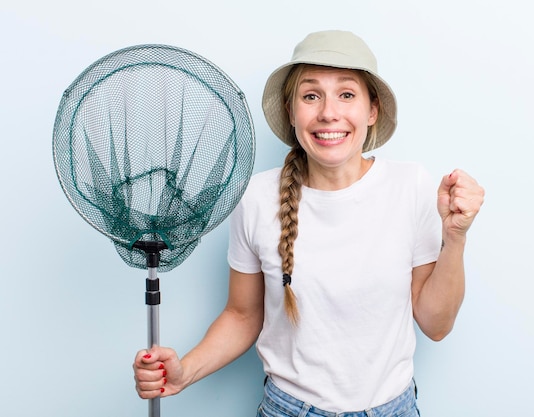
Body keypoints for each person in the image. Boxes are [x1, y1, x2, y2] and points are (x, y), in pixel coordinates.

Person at [133, 30, 484, 416]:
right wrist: (186, 371)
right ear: (291, 111)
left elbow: (436, 325)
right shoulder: (255, 198)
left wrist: (455, 239)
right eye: (311, 95)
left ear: (372, 110)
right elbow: (243, 315)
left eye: (346, 94)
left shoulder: (411, 186)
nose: (328, 113)